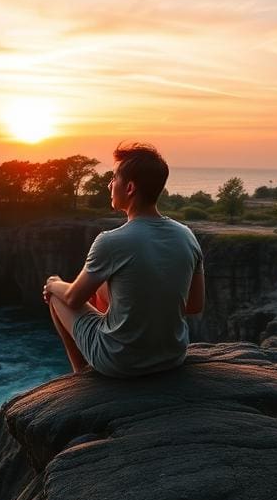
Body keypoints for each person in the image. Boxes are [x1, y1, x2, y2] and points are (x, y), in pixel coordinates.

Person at [43, 142, 205, 377]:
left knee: (57, 299)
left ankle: (81, 374)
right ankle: (112, 329)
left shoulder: (111, 241)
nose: (109, 184)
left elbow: (73, 298)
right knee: (98, 285)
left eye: (114, 178)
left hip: (120, 362)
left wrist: (53, 283)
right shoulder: (187, 235)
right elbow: (194, 305)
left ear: (129, 188)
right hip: (172, 356)